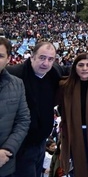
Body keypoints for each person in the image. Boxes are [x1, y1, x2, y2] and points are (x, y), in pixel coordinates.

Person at [9, 41, 65, 177]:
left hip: (41, 142)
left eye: (50, 59)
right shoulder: (13, 74)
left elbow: (75, 71)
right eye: (42, 57)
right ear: (32, 56)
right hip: (20, 144)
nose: (45, 63)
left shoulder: (54, 72)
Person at [0, 37, 30, 177]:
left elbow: (23, 121)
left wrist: (7, 149)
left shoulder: (17, 84)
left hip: (4, 163)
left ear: (8, 59)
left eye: (0, 56)